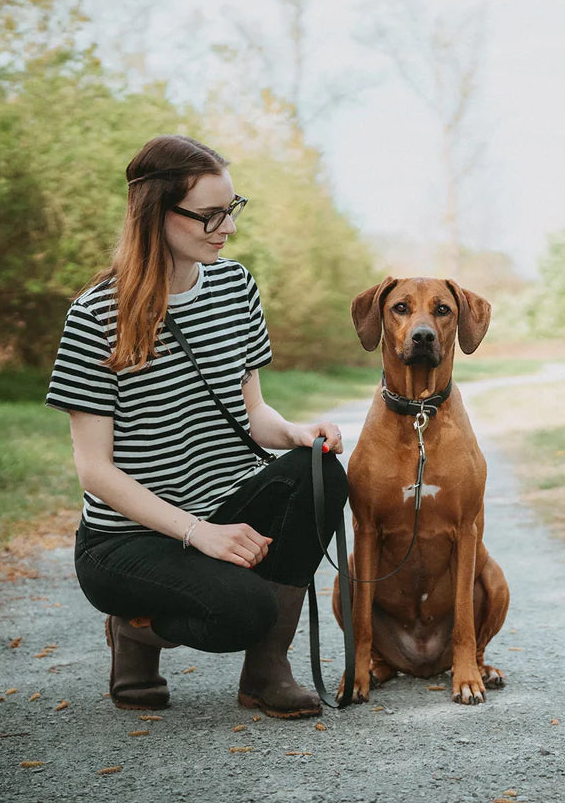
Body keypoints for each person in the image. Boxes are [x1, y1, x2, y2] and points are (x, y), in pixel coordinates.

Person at [45, 134, 348, 719]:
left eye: (231, 210)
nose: (226, 228)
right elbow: (94, 470)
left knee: (323, 475)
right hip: (126, 541)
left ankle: (266, 673)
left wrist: (298, 435)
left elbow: (254, 413)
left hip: (223, 503)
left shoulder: (236, 288)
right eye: (209, 215)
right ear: (154, 213)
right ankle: (132, 633)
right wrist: (197, 533)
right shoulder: (94, 316)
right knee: (242, 611)